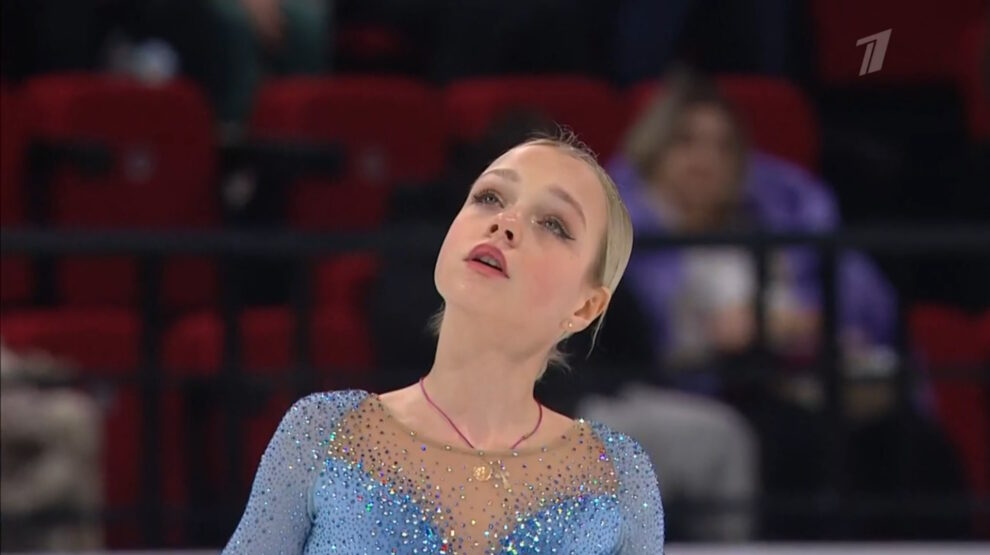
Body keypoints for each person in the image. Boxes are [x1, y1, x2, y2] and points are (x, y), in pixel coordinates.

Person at [221, 133, 665, 553]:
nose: (505, 223)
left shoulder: (617, 476)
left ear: (586, 307)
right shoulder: (324, 432)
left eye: (553, 223)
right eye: (489, 197)